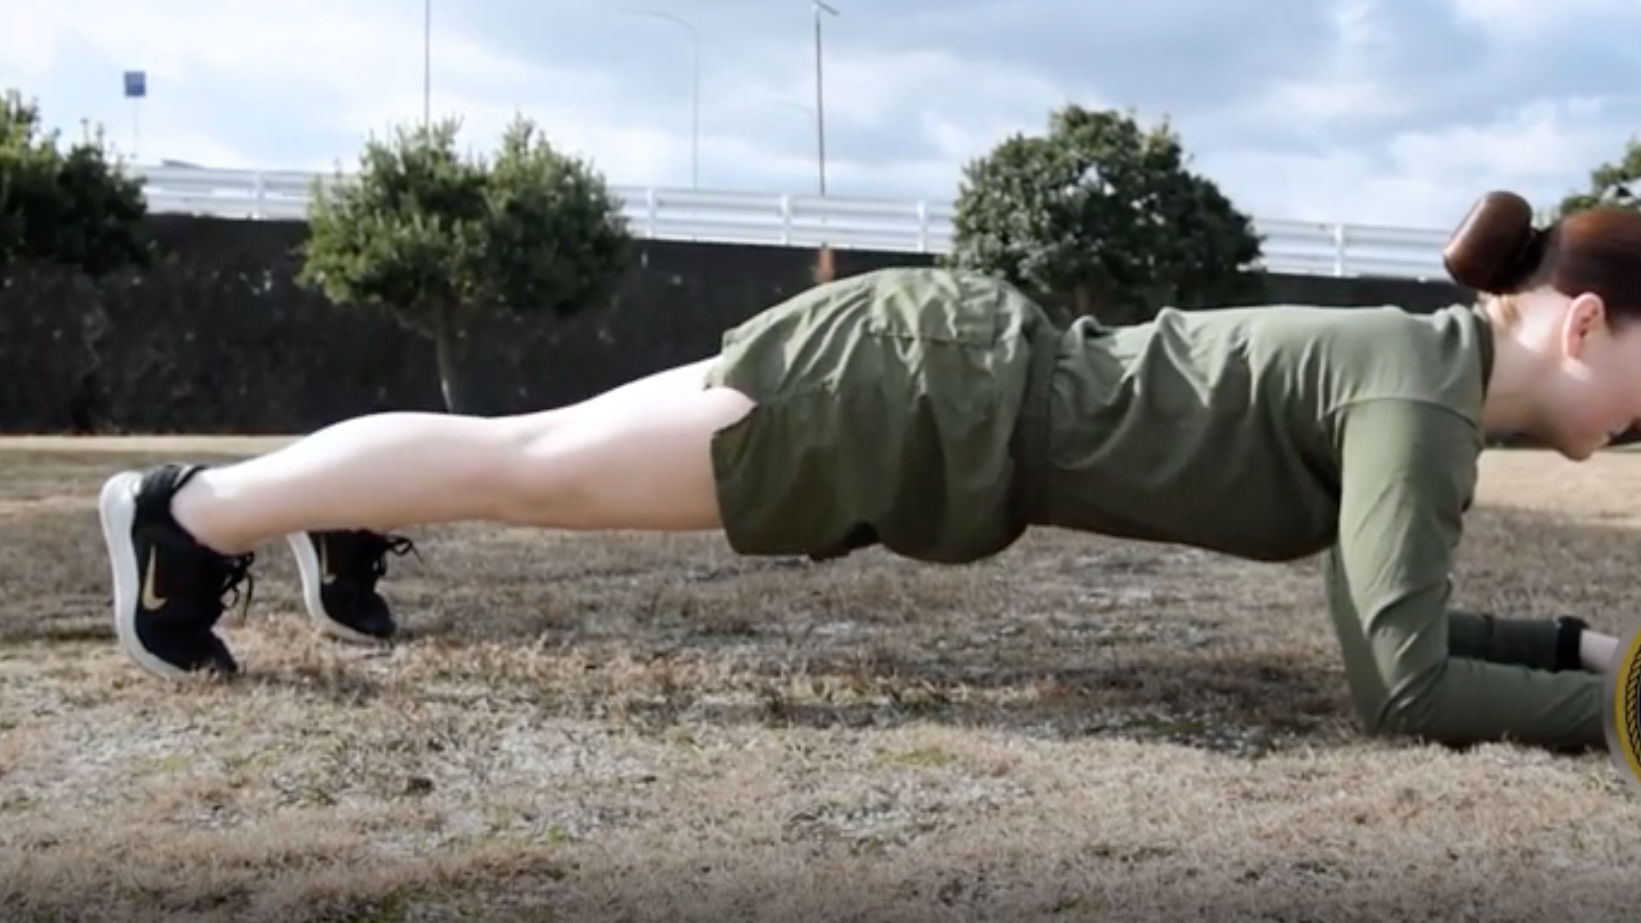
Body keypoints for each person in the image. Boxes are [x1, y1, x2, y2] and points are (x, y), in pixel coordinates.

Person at [97, 189, 1641, 753]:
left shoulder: (1422, 378)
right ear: (1581, 322)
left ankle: (333, 512)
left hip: (926, 377)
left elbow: (1405, 637)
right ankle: (187, 515)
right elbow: (1400, 689)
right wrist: (1621, 718)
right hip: (909, 397)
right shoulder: (1417, 394)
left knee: (534, 452)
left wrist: (1586, 656)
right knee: (531, 462)